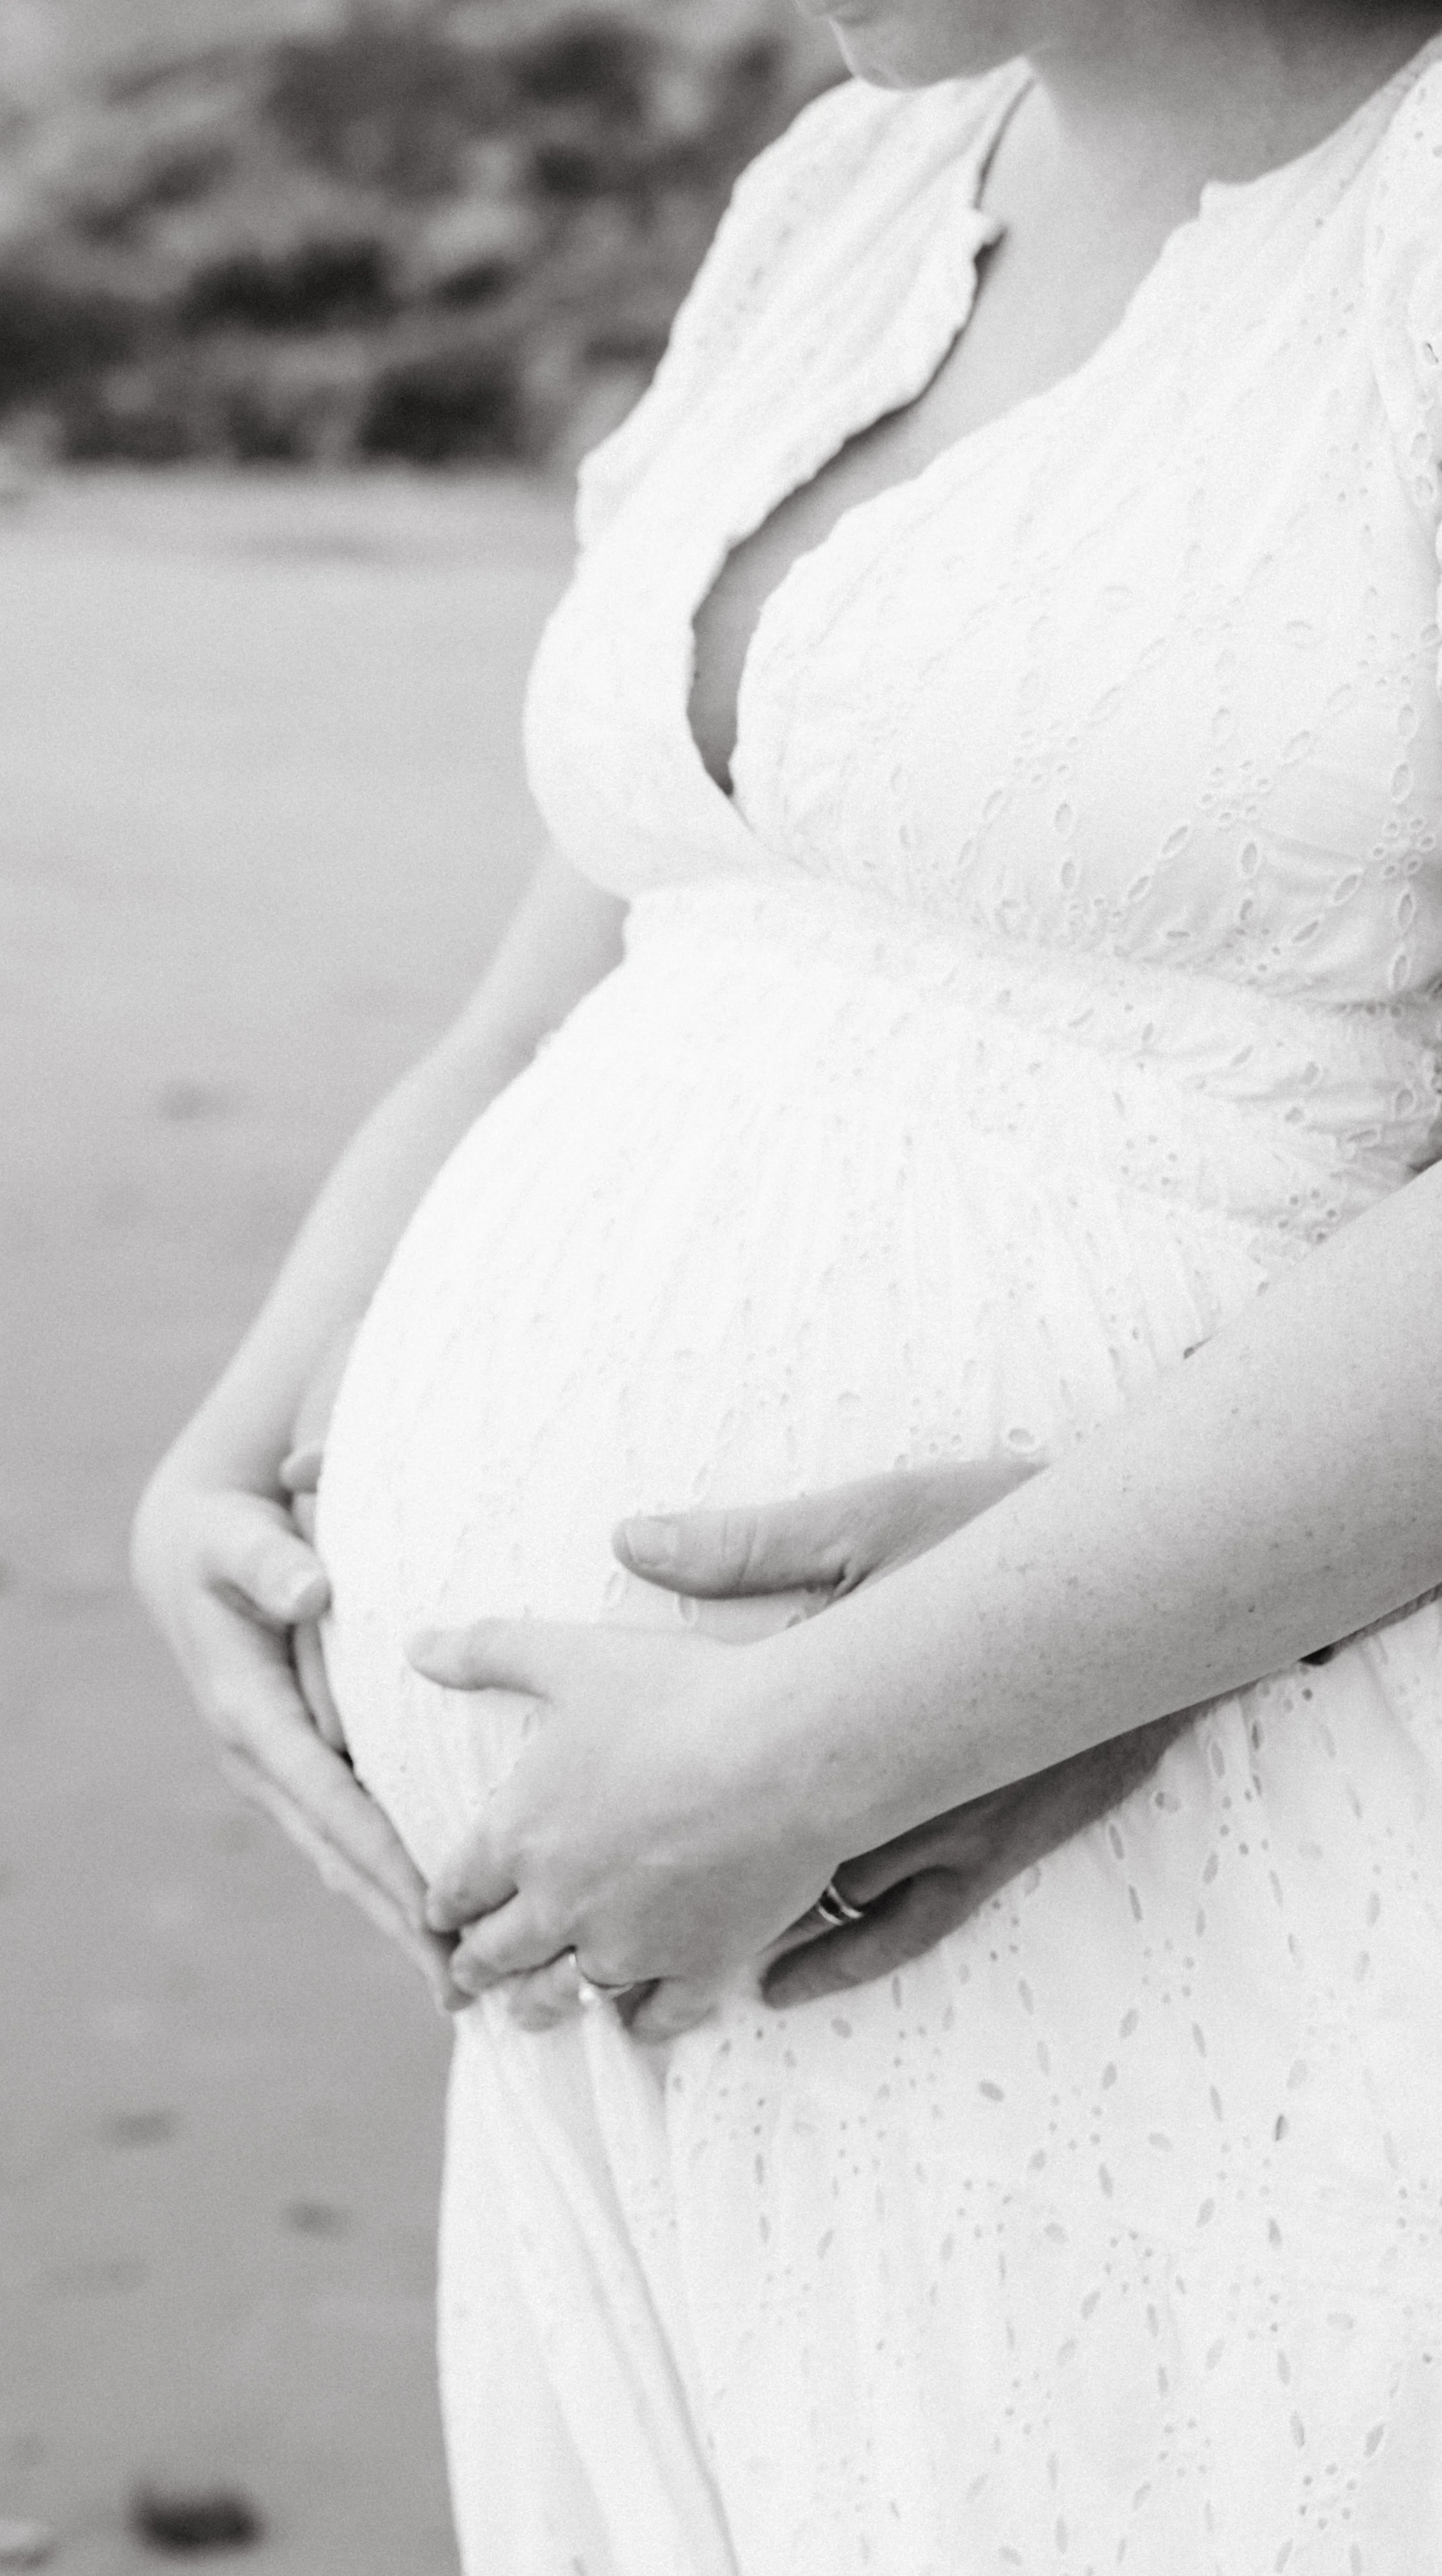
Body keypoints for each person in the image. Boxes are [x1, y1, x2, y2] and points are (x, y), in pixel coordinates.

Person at [134, 0, 1442, 2559]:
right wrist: (258, 1426)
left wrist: (836, 1739)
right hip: (662, 1947)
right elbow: (594, 961)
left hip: (1170, 1826)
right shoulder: (844, 200)